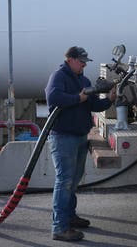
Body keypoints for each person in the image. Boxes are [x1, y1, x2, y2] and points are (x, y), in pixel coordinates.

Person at [45, 46, 116, 241]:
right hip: (63, 137)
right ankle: (59, 227)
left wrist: (109, 100)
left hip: (79, 137)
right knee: (65, 181)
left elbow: (92, 105)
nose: (84, 64)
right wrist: (78, 97)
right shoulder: (59, 76)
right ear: (70, 59)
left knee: (73, 181)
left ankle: (69, 216)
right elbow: (53, 98)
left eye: (85, 61)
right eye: (81, 61)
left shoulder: (83, 80)